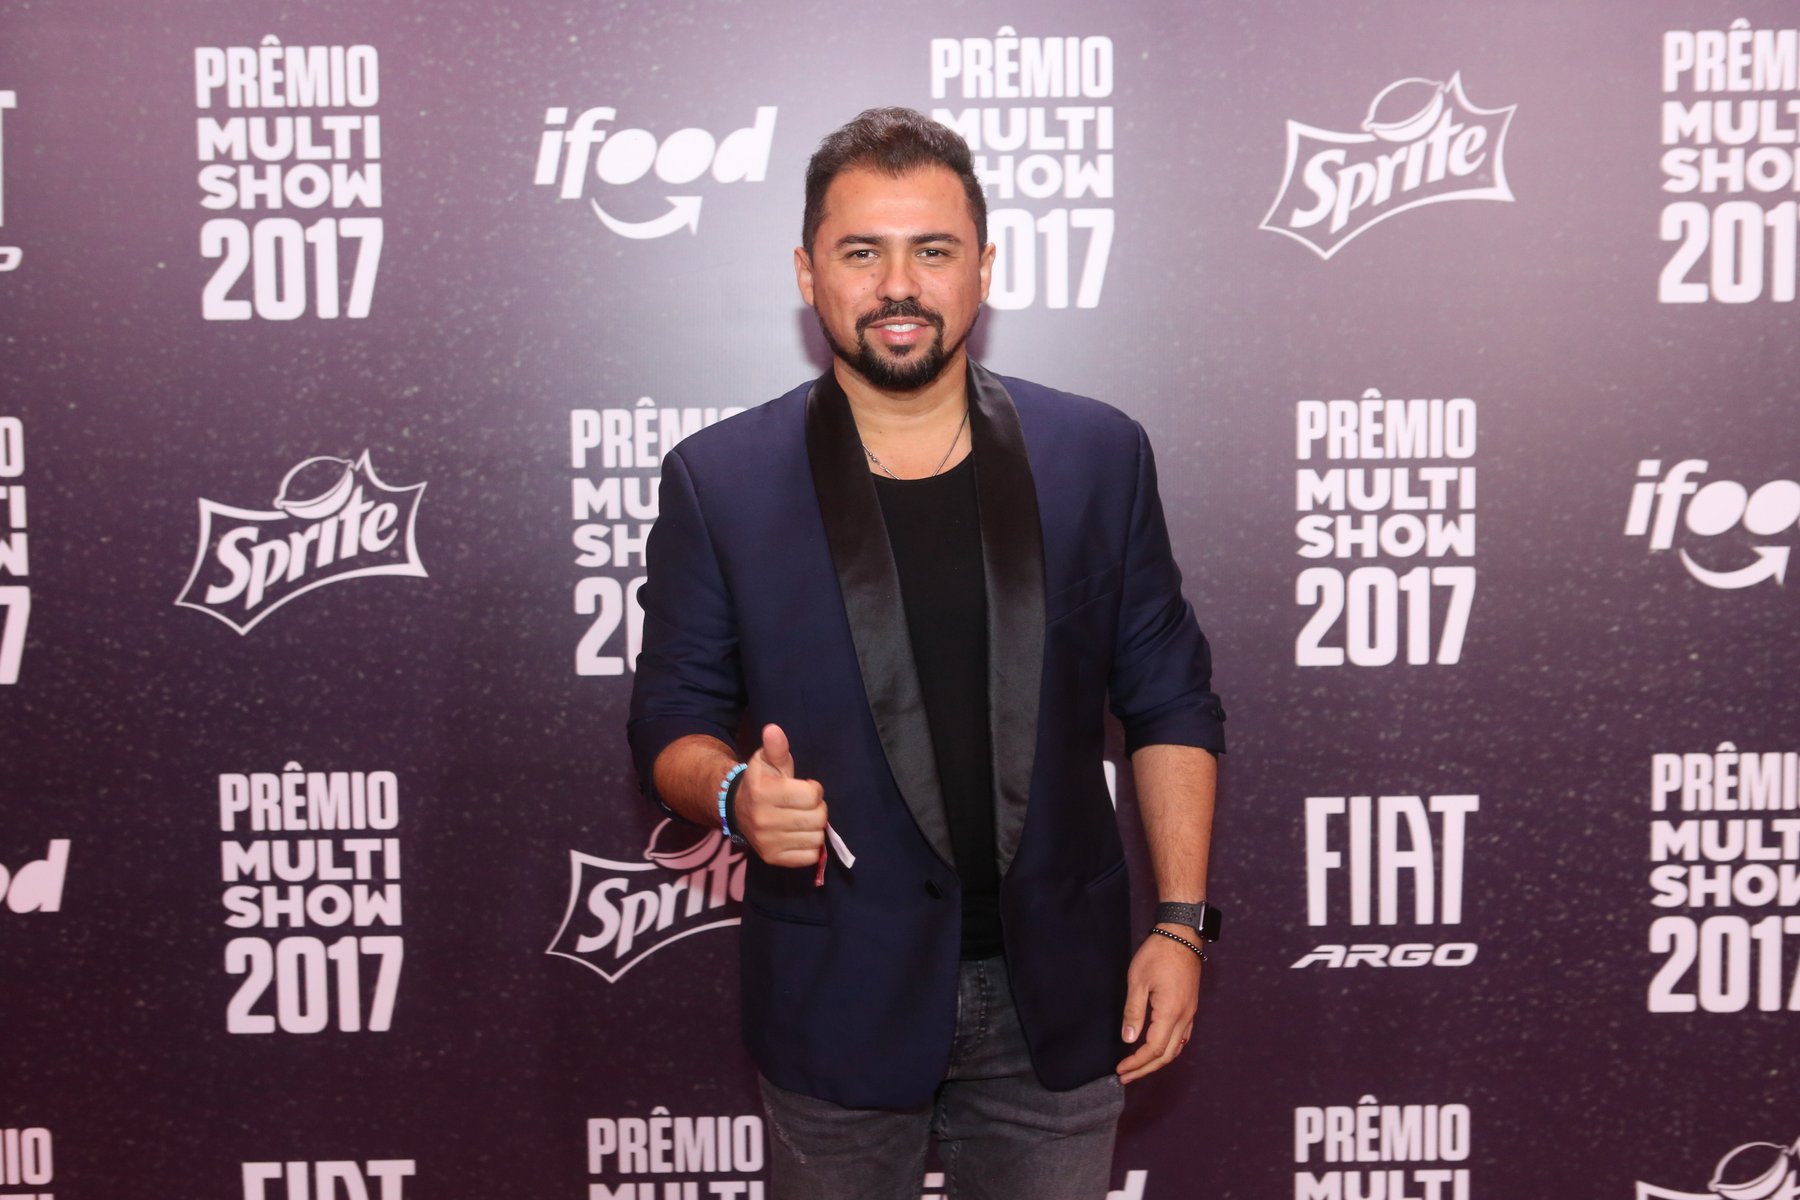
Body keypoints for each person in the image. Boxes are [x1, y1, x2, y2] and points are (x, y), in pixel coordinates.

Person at [627, 106, 1226, 1200]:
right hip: (837, 994)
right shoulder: (722, 481)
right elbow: (671, 717)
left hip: (1062, 999)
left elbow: (1172, 700)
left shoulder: (1098, 456)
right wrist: (731, 796)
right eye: (862, 252)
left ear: (983, 270)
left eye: (933, 251)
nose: (898, 285)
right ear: (808, 273)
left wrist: (1182, 925)